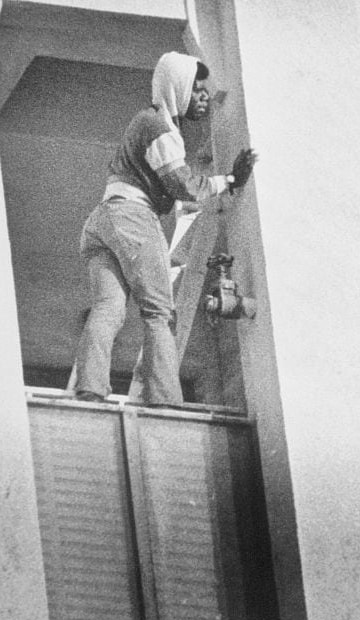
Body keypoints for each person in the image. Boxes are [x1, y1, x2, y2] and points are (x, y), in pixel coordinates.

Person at [74, 51, 257, 405]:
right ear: (179, 88)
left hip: (102, 220)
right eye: (198, 89)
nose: (204, 98)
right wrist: (230, 180)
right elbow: (183, 186)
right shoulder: (157, 125)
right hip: (132, 218)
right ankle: (165, 400)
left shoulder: (148, 122)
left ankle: (90, 390)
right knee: (159, 313)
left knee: (108, 310)